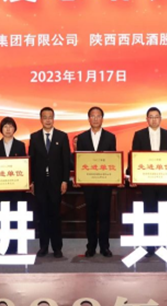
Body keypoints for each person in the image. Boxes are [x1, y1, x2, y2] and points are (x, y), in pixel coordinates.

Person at [130, 107, 167, 257]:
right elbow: (135, 157)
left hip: (164, 181)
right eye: (151, 117)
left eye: (157, 116)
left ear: (160, 119)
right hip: (147, 181)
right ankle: (150, 244)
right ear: (147, 119)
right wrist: (133, 175)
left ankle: (162, 242)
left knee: (163, 211)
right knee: (149, 210)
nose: (154, 119)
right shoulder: (139, 135)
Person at [28, 107, 70, 258]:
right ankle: (43, 246)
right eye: (45, 117)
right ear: (40, 119)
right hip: (40, 183)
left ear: (54, 119)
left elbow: (66, 161)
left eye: (50, 117)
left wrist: (65, 180)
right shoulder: (34, 137)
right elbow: (31, 161)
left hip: (56, 183)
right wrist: (31, 181)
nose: (47, 120)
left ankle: (57, 247)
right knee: (42, 215)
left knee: (55, 215)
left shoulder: (62, 136)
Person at [76, 106, 117, 258]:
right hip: (89, 184)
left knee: (105, 215)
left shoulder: (110, 137)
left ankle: (105, 246)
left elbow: (114, 159)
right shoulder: (82, 138)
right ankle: (91, 246)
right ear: (89, 119)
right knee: (91, 215)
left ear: (102, 118)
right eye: (92, 116)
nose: (95, 119)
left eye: (98, 116)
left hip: (105, 184)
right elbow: (79, 160)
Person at [0, 117, 27, 255]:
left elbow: (24, 166)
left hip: (16, 188)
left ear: (14, 129)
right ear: (1, 129)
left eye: (10, 126)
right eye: (5, 126)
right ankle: (4, 244)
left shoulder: (20, 145)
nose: (8, 129)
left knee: (14, 216)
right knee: (2, 217)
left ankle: (14, 245)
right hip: (1, 188)